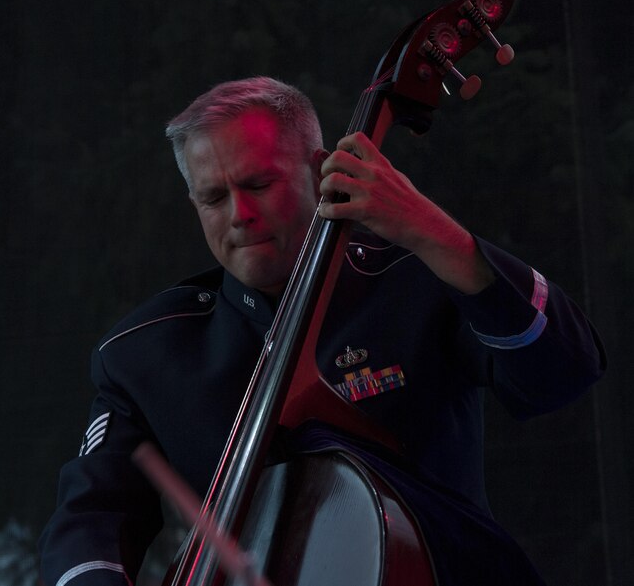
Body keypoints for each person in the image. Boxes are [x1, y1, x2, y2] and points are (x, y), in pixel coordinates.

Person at [39, 77, 604, 586]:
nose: (239, 214)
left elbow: (565, 371)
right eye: (213, 197)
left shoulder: (416, 279)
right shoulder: (146, 352)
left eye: (259, 183)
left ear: (319, 170)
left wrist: (433, 233)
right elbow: (89, 518)